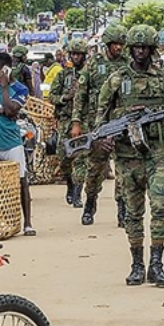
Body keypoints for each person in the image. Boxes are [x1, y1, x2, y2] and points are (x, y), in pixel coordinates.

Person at [96, 25, 164, 287]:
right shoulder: (116, 80)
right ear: (130, 49)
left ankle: (157, 264)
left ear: (152, 49)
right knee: (133, 213)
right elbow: (100, 116)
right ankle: (137, 264)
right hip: (126, 156)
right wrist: (103, 138)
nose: (141, 52)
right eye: (136, 47)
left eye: (145, 47)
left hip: (158, 154)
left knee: (159, 207)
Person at [71, 24, 129, 227]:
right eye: (115, 44)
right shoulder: (94, 64)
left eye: (122, 44)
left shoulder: (128, 64)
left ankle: (123, 211)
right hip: (97, 124)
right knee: (95, 169)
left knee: (123, 168)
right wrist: (76, 121)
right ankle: (90, 205)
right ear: (107, 44)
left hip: (122, 124)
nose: (119, 48)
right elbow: (81, 95)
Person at [0, 51, 36, 236]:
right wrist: (3, 110)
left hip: (12, 143)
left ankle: (27, 223)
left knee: (21, 182)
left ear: (5, 69)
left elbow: (13, 110)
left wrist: (4, 89)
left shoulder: (20, 89)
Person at [50, 40, 89, 207]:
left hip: (83, 121)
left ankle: (78, 192)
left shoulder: (89, 74)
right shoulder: (63, 75)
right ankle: (70, 184)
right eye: (73, 54)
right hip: (65, 121)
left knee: (81, 158)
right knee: (64, 157)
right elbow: (52, 96)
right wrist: (65, 97)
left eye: (79, 54)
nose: (76, 57)